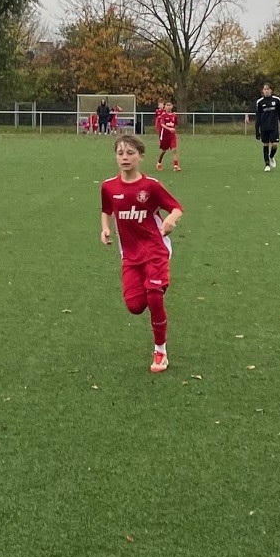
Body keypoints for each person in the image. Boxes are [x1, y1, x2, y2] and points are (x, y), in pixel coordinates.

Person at [99, 134, 184, 373]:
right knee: (135, 306)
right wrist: (105, 229)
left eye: (130, 153)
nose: (125, 158)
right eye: (120, 153)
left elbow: (176, 208)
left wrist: (171, 219)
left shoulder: (151, 186)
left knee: (154, 297)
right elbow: (106, 210)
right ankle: (154, 286)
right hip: (130, 254)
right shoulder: (108, 187)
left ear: (141, 156)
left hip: (155, 249)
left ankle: (160, 352)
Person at [254, 83, 280, 171]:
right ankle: (267, 165)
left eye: (268, 89)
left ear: (271, 90)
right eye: (265, 89)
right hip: (264, 127)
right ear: (262, 91)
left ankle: (271, 157)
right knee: (265, 145)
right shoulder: (259, 102)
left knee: (275, 145)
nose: (266, 91)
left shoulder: (276, 100)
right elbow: (258, 117)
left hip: (273, 127)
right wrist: (257, 130)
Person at [155, 101, 181, 172]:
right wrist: (169, 129)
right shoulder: (163, 115)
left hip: (172, 136)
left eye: (170, 105)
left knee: (174, 150)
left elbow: (175, 124)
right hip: (164, 136)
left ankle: (176, 166)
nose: (168, 107)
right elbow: (162, 124)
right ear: (165, 107)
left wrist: (173, 129)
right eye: (167, 105)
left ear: (172, 107)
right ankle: (159, 162)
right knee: (163, 151)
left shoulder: (174, 116)